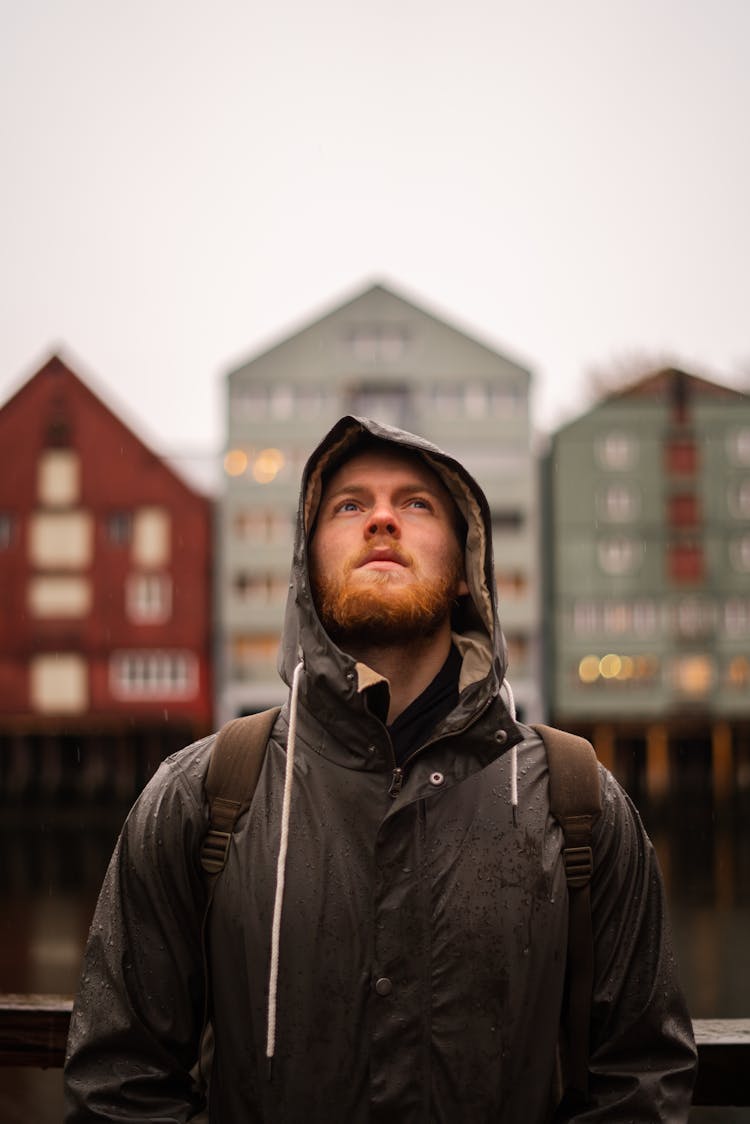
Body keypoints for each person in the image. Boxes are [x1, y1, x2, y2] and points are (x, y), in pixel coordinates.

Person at [64, 415, 697, 1122]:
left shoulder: (577, 803)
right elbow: (119, 1084)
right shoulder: (202, 797)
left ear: (466, 570)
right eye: (350, 504)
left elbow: (642, 1076)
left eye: (418, 503)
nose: (383, 520)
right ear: (309, 566)